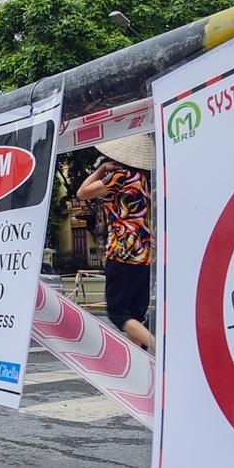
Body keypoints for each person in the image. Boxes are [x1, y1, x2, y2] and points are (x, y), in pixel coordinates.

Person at [75, 133, 156, 352]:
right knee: (136, 314)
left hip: (123, 250)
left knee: (118, 313)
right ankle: (141, 365)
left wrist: (101, 170)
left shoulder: (121, 176)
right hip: (146, 253)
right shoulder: (149, 179)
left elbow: (82, 193)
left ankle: (163, 350)